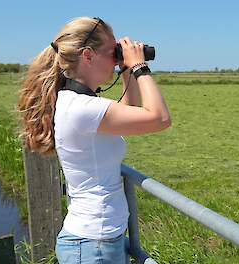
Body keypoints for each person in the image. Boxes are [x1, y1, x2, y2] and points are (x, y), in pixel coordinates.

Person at [17, 17, 171, 264]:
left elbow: (124, 118)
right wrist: (140, 67)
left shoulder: (76, 103)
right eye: (112, 53)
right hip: (93, 246)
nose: (115, 59)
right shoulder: (82, 108)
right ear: (87, 56)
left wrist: (126, 72)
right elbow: (160, 118)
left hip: (96, 242)